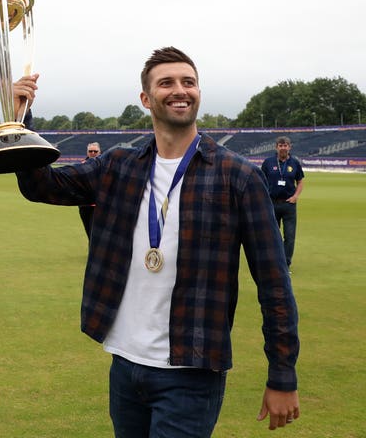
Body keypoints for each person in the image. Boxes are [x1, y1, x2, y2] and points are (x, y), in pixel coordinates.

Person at [16, 46, 300, 437]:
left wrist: (282, 374)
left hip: (191, 372)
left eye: (189, 82)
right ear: (146, 99)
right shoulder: (119, 165)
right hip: (125, 364)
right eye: (166, 82)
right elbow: (40, 185)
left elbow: (274, 284)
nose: (180, 90)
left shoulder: (239, 177)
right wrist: (18, 116)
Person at [261, 136, 304, 269]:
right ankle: (271, 261)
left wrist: (296, 196)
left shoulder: (295, 163)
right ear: (276, 147)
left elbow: (301, 181)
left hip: (289, 205)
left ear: (289, 147)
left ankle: (285, 264)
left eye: (285, 145)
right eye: (280, 145)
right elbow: (261, 180)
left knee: (289, 236)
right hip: (272, 204)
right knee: (271, 235)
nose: (283, 148)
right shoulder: (268, 162)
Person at [78, 142, 101, 239]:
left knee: (96, 230)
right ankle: (92, 250)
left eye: (95, 151)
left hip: (98, 204)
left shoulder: (104, 165)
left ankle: (95, 252)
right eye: (90, 151)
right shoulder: (81, 165)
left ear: (99, 152)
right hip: (84, 204)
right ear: (87, 152)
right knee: (88, 229)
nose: (93, 153)